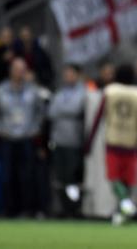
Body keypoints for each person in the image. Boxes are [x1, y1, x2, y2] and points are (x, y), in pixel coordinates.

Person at [87, 64, 137, 225]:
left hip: (113, 140)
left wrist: (89, 141)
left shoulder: (110, 91)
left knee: (114, 178)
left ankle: (124, 207)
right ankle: (123, 210)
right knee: (127, 180)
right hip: (132, 141)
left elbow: (98, 117)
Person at [0, 58, 44, 216]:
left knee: (26, 176)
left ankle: (26, 209)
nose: (20, 72)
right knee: (6, 176)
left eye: (23, 69)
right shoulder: (1, 90)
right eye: (16, 69)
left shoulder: (33, 90)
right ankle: (6, 210)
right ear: (11, 71)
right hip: (6, 138)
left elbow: (40, 113)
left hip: (27, 138)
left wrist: (34, 130)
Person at [48, 64, 86, 217]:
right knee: (60, 177)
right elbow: (51, 112)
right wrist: (66, 110)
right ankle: (64, 208)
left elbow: (76, 109)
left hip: (74, 140)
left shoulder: (83, 93)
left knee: (73, 177)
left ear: (77, 75)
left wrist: (62, 110)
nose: (68, 76)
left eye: (71, 74)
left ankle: (74, 208)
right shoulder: (60, 93)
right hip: (58, 140)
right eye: (66, 73)